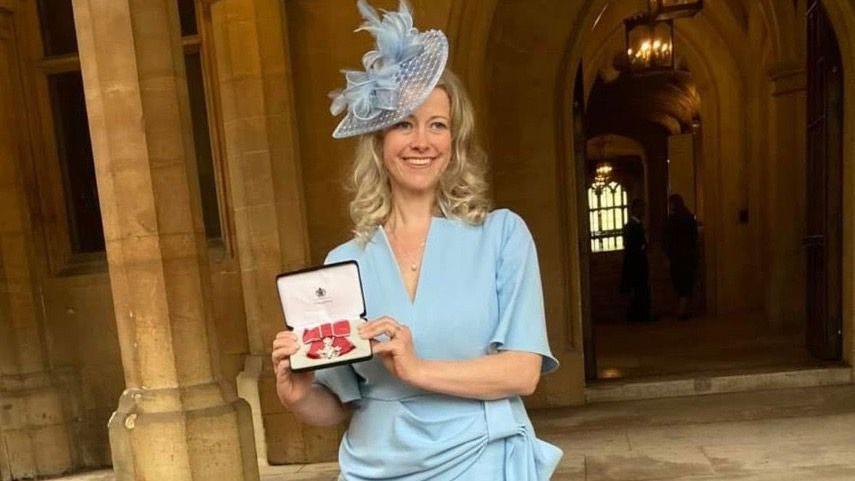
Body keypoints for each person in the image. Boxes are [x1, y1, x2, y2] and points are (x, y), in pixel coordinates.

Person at [270, 2, 562, 480]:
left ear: (455, 141)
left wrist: (416, 369)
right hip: (373, 468)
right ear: (379, 142)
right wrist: (297, 393)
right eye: (404, 123)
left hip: (480, 460)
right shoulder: (345, 263)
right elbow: (338, 406)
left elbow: (523, 372)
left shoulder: (502, 235)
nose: (421, 141)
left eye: (438, 125)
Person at [664, 194, 699, 320]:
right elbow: (694, 238)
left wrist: (668, 255)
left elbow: (667, 240)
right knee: (686, 284)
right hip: (688, 256)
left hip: (677, 258)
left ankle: (681, 311)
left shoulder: (672, 220)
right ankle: (683, 310)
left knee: (680, 285)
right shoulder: (689, 217)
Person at [620, 198, 652, 322]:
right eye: (640, 208)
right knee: (638, 289)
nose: (643, 211)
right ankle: (638, 315)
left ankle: (640, 314)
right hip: (635, 262)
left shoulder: (635, 225)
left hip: (636, 261)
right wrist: (643, 247)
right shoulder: (632, 226)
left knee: (639, 288)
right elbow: (632, 245)